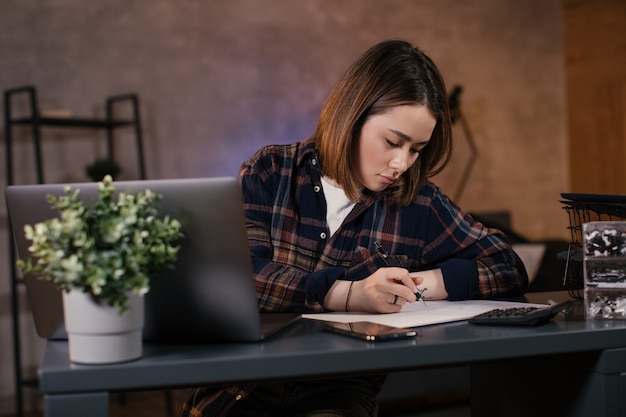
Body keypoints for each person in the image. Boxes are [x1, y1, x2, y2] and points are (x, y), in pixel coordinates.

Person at [181, 39, 528, 417]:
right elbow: (242, 275)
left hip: (337, 396)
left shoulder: (418, 203)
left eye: (416, 149)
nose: (401, 163)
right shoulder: (270, 171)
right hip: (241, 388)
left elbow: (507, 266)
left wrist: (419, 286)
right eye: (393, 142)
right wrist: (345, 293)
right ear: (353, 115)